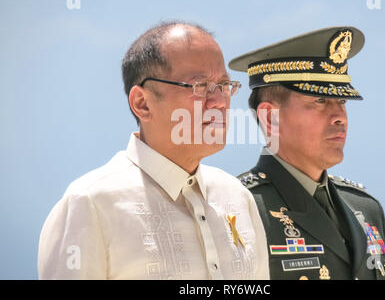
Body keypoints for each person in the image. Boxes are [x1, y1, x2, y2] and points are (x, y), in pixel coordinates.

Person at [38, 21, 269, 280]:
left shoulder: (237, 196)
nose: (218, 102)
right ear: (142, 103)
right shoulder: (90, 204)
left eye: (225, 86)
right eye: (199, 86)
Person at [229, 26, 385, 280]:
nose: (340, 117)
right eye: (320, 101)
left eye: (342, 101)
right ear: (270, 118)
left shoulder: (366, 209)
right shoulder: (237, 209)